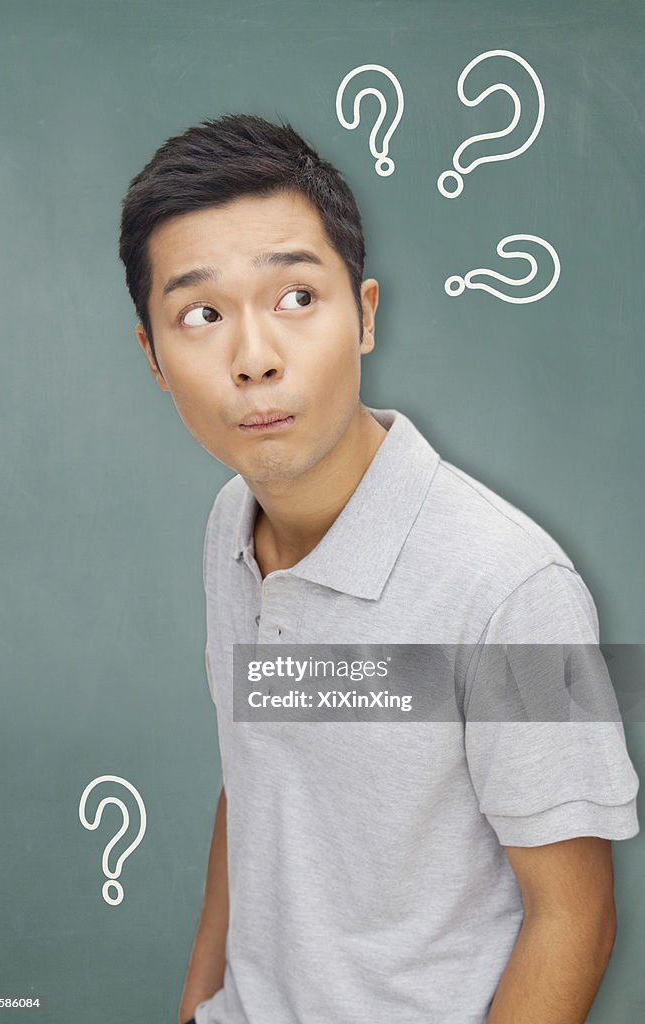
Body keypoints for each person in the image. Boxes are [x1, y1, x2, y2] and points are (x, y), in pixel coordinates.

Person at [118, 113, 640, 1024]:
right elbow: (257, 780)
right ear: (155, 359)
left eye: (295, 298)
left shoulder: (510, 586)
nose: (253, 358)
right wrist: (198, 1005)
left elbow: (575, 917)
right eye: (200, 315)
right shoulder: (229, 526)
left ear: (362, 316)